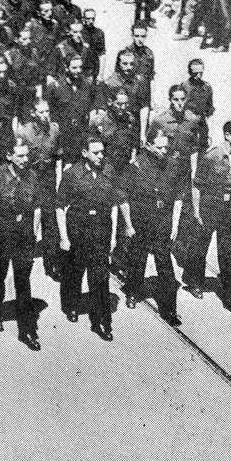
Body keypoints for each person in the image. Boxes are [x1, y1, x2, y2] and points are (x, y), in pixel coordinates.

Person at [55, 136, 135, 341]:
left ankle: (102, 322)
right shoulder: (72, 174)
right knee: (75, 271)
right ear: (84, 153)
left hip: (101, 229)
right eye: (96, 152)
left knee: (100, 278)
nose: (100, 156)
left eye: (102, 152)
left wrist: (116, 234)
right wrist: (64, 237)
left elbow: (116, 203)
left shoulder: (109, 172)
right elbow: (60, 207)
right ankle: (71, 305)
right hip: (78, 229)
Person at [0, 138, 41, 350]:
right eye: (20, 155)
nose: (25, 159)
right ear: (9, 156)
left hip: (23, 236)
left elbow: (37, 208)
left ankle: (27, 331)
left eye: (26, 155)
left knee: (23, 281)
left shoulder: (32, 177)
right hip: (1, 235)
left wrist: (35, 234)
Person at [122, 129, 182, 326]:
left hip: (162, 220)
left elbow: (179, 197)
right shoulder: (136, 166)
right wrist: (129, 224)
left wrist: (174, 223)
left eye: (166, 147)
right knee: (137, 257)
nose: (163, 151)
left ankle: (170, 309)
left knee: (164, 262)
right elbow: (124, 197)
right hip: (141, 219)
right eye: (159, 147)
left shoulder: (173, 166)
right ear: (148, 146)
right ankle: (132, 292)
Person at [189, 120, 231, 314]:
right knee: (201, 244)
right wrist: (196, 211)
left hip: (229, 208)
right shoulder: (211, 156)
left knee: (230, 251)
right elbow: (197, 184)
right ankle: (195, 281)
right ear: (227, 135)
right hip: (210, 205)